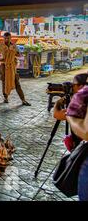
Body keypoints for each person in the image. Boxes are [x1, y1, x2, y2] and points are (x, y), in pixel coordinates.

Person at [53, 73, 88, 201]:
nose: (72, 88)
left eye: (73, 85)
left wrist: (59, 102)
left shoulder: (81, 101)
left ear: (81, 86)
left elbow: (57, 114)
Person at [0, 32, 31, 106]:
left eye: (8, 38)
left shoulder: (14, 46)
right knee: (4, 82)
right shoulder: (1, 46)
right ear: (4, 38)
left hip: (12, 67)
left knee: (17, 83)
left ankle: (23, 100)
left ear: (10, 38)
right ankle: (5, 98)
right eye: (5, 38)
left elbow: (18, 54)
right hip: (4, 66)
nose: (6, 39)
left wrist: (16, 54)